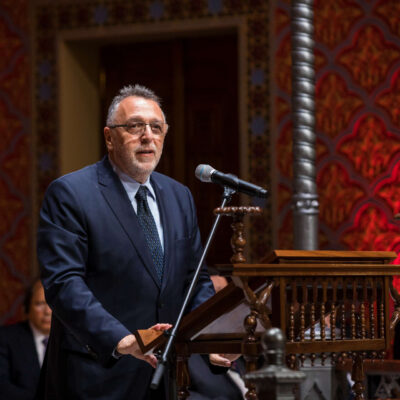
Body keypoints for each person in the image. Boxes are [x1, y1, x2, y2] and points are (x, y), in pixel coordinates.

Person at [37, 84, 234, 400]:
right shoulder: (71, 193)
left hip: (165, 375)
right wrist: (121, 339)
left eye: (156, 127)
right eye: (134, 126)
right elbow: (64, 283)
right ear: (109, 137)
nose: (147, 136)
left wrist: (209, 338)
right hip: (98, 376)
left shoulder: (179, 196)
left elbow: (194, 281)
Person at [0, 279, 51, 399]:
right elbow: (2, 386)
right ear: (26, 308)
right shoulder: (5, 338)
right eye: (40, 304)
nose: (47, 312)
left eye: (52, 304)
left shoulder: (73, 339)